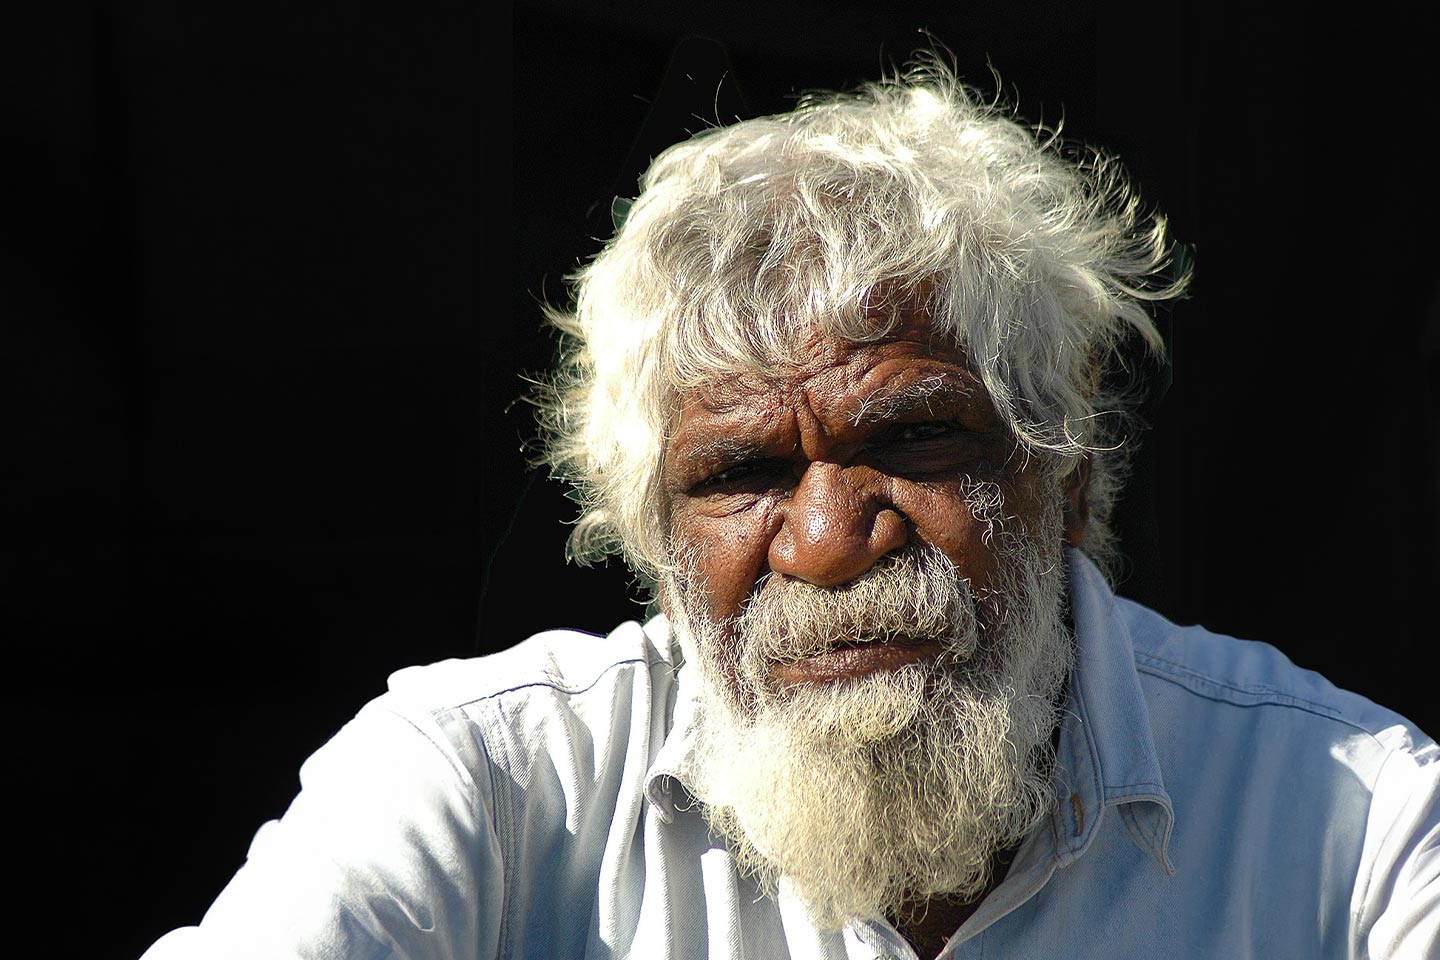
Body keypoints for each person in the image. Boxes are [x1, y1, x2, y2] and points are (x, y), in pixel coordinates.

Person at [140, 60, 1438, 960]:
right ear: (653, 539)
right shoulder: (484, 784)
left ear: (1066, 472)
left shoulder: (1355, 825)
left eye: (915, 439)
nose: (827, 544)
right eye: (740, 475)